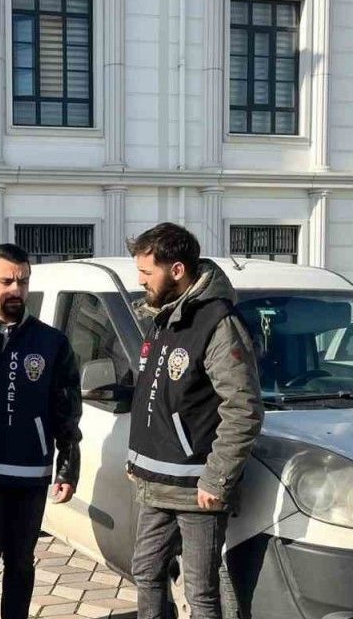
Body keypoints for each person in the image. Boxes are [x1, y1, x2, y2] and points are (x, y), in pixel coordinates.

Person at [125, 223, 264, 619]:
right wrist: (136, 459)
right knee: (146, 571)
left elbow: (244, 407)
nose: (141, 281)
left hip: (197, 488)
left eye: (147, 272)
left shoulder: (217, 323)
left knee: (200, 591)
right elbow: (155, 397)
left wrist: (217, 478)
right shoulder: (163, 317)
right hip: (156, 481)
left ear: (177, 270)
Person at [0, 243, 82, 619]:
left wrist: (68, 466)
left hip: (29, 470)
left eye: (22, 281)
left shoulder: (51, 342)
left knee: (21, 560)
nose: (16, 290)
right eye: (6, 281)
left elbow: (67, 408)